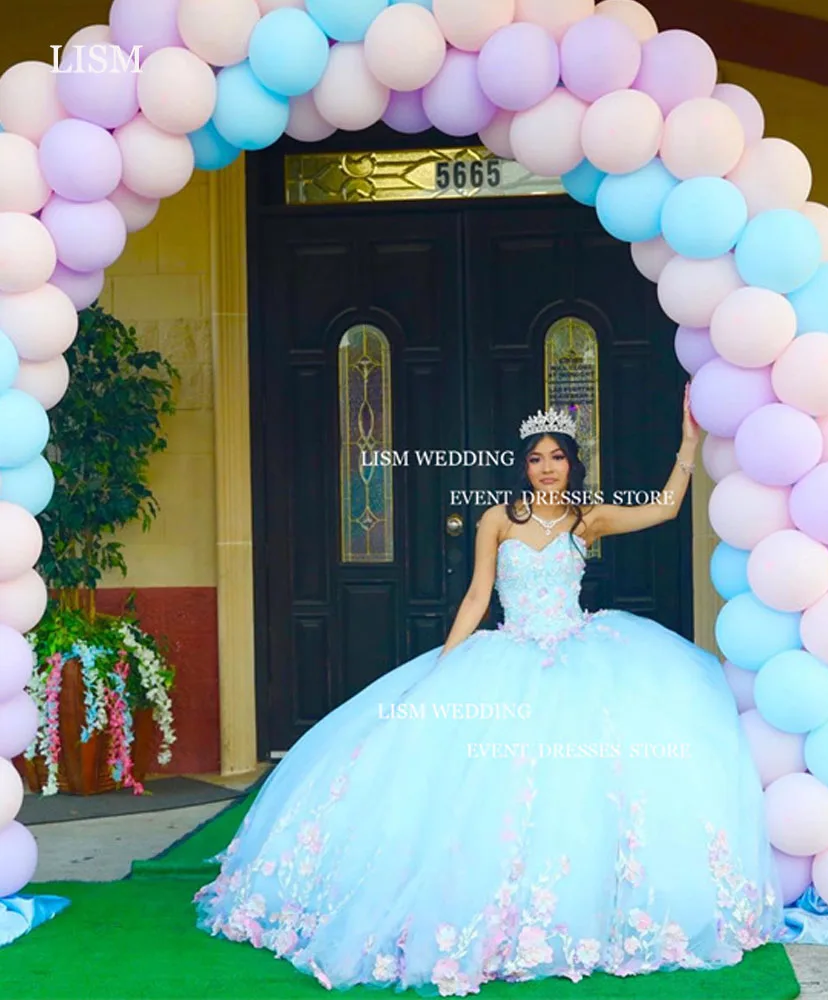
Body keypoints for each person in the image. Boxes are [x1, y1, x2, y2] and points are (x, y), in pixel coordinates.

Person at [194, 387, 785, 996]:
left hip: (582, 657)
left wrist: (689, 443)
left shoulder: (588, 518)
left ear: (572, 465)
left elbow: (663, 508)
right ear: (523, 466)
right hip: (508, 655)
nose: (548, 466)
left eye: (557, 456)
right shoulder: (498, 519)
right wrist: (446, 667)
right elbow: (478, 595)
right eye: (536, 458)